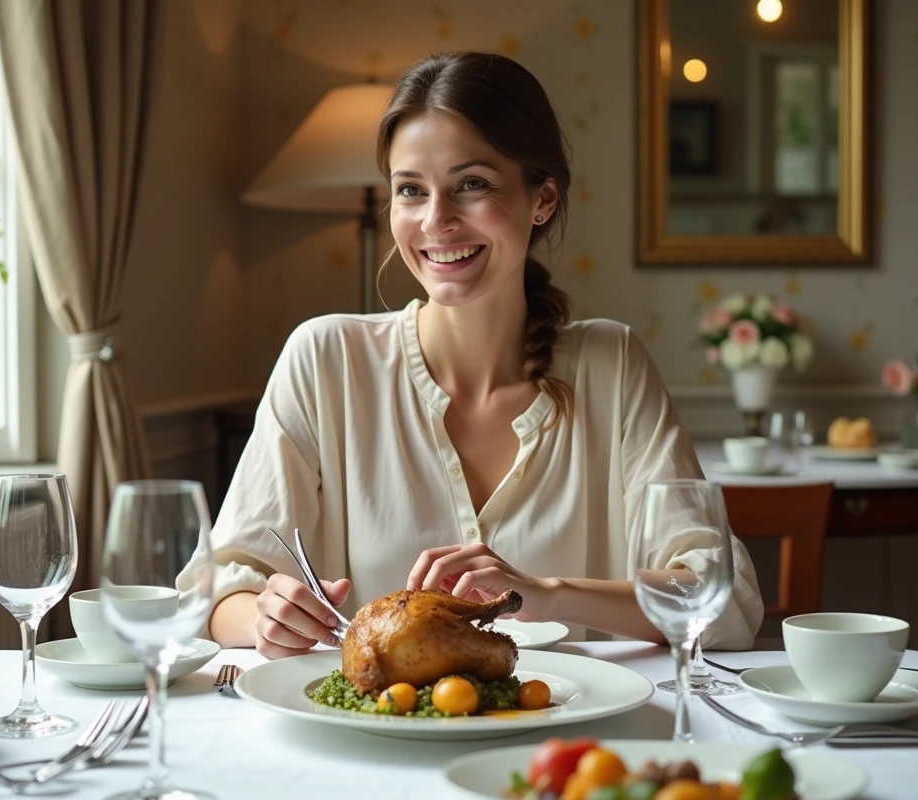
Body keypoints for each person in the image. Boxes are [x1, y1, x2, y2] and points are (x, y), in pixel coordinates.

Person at [177, 51, 763, 660]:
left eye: (472, 184)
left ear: (544, 199)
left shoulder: (611, 365)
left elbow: (720, 602)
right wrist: (263, 619)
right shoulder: (326, 358)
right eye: (411, 190)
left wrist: (549, 594)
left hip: (568, 744)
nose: (436, 221)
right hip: (373, 746)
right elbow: (220, 590)